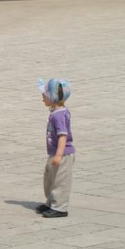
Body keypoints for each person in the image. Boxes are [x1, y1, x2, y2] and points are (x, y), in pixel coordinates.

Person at [36, 79, 75, 218]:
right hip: (54, 152)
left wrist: (59, 155)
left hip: (63, 154)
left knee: (60, 180)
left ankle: (60, 207)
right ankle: (51, 202)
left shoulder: (59, 115)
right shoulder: (56, 111)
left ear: (53, 97)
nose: (42, 98)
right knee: (50, 178)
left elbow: (63, 136)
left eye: (44, 95)